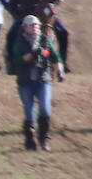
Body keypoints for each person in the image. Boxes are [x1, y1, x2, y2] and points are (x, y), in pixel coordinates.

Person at [6, 0, 69, 73]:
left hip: (44, 15)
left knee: (63, 32)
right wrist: (16, 14)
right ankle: (11, 64)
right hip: (26, 14)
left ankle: (62, 63)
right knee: (11, 35)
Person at [12, 14, 63, 151]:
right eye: (32, 25)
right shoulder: (19, 42)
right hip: (25, 81)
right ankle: (30, 141)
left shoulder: (45, 40)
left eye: (36, 25)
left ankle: (44, 139)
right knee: (29, 112)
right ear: (25, 27)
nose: (35, 27)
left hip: (43, 79)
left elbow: (54, 55)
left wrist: (59, 70)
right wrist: (28, 56)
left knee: (45, 109)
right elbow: (16, 59)